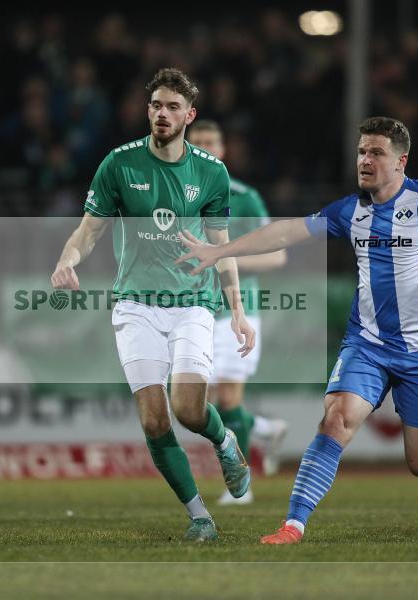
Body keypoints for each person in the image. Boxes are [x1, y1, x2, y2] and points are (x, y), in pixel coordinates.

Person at [177, 116, 418, 544]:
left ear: (401, 161)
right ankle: (293, 524)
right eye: (362, 151)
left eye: (376, 152)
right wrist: (221, 251)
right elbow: (286, 232)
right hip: (368, 344)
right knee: (335, 419)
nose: (365, 160)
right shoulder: (350, 211)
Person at [51, 68, 255, 542]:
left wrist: (238, 311)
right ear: (149, 110)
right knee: (153, 418)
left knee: (188, 410)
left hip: (192, 304)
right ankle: (200, 516)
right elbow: (88, 231)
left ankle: (224, 440)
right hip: (135, 305)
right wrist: (67, 259)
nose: (162, 114)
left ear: (189, 115)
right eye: (156, 105)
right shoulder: (119, 164)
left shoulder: (211, 172)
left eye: (172, 107)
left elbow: (221, 247)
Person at [186, 120, 289, 505]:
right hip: (190, 308)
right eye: (197, 143)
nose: (204, 149)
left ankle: (241, 487)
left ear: (222, 150)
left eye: (210, 142)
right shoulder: (177, 195)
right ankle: (263, 428)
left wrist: (224, 258)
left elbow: (277, 255)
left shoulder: (244, 198)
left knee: (228, 398)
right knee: (195, 402)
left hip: (235, 309)